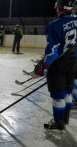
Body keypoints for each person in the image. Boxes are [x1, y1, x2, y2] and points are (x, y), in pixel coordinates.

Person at [33, 0, 77, 130]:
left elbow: (53, 51)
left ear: (59, 8)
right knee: (68, 92)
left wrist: (43, 65)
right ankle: (65, 119)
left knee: (58, 95)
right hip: (73, 61)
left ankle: (58, 122)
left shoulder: (55, 24)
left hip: (59, 64)